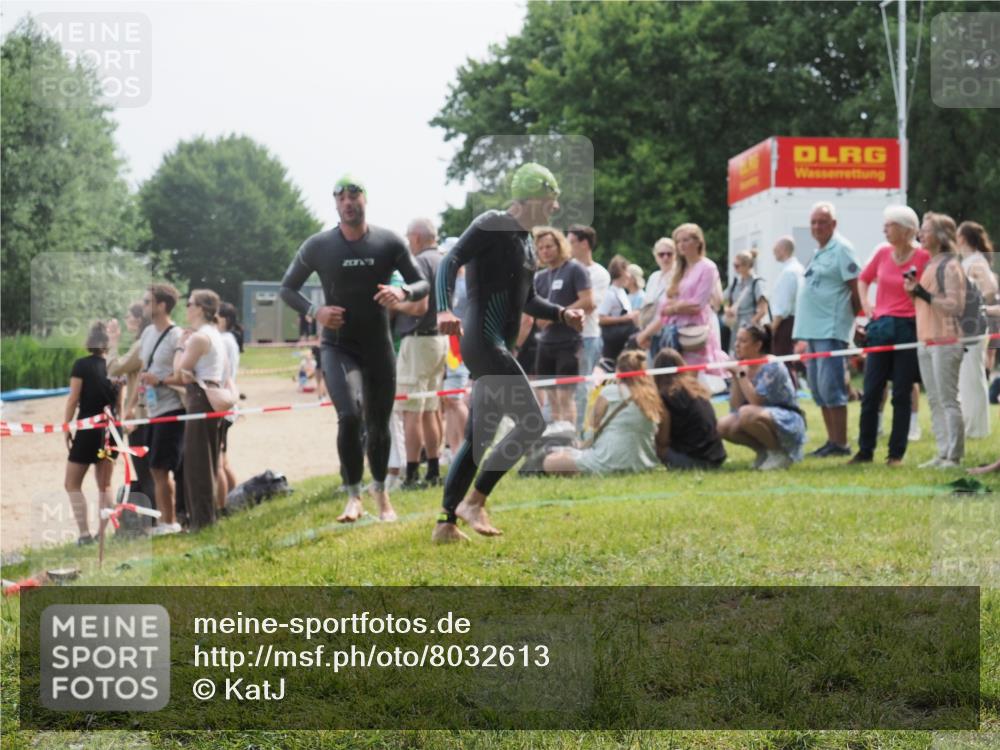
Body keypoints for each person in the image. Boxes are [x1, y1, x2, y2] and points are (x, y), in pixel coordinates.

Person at [433, 162, 584, 543]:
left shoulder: (525, 241)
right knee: (531, 422)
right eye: (550, 200)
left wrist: (562, 313)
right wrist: (443, 308)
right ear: (531, 198)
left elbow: (528, 299)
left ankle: (445, 523)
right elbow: (450, 259)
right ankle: (474, 501)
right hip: (484, 341)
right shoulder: (493, 223)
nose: (554, 208)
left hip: (496, 344)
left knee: (479, 436)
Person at [280, 175, 429, 523]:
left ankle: (381, 494)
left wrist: (402, 292)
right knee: (348, 416)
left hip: (378, 346)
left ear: (365, 200)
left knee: (378, 423)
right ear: (335, 203)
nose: (348, 202)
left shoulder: (389, 242)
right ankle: (352, 496)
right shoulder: (319, 245)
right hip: (338, 345)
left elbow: (421, 283)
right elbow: (287, 288)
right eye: (341, 197)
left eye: (354, 195)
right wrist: (315, 311)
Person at [850, 205, 930, 466]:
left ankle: (896, 454)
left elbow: (930, 293)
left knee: (901, 393)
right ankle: (865, 451)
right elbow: (863, 278)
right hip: (881, 328)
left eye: (890, 225)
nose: (884, 229)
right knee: (871, 391)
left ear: (907, 230)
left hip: (908, 328)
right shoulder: (882, 253)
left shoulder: (923, 257)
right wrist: (866, 304)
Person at [793, 202, 862, 457]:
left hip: (830, 330)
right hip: (812, 330)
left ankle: (841, 443)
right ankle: (832, 441)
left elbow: (856, 289)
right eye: (813, 222)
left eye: (822, 222)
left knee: (832, 387)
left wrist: (853, 323)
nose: (817, 227)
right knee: (818, 388)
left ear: (834, 224)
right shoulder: (819, 251)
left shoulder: (842, 249)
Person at [904, 212, 966, 469]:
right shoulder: (930, 265)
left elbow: (955, 305)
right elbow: (925, 306)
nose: (921, 234)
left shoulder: (950, 266)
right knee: (934, 400)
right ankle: (942, 452)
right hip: (927, 340)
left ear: (940, 236)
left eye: (926, 230)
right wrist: (914, 293)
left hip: (945, 340)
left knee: (948, 400)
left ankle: (954, 455)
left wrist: (922, 293)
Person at [541, 349, 664, 475]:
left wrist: (581, 444)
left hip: (608, 459)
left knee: (550, 461)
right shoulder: (652, 398)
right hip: (643, 463)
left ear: (618, 371)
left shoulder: (610, 392)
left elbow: (591, 429)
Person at [392, 218, 448, 488]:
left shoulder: (420, 262)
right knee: (431, 408)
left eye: (408, 238)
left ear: (416, 237)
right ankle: (433, 470)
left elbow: (418, 306)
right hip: (439, 339)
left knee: (411, 410)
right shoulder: (444, 261)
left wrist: (394, 304)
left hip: (418, 340)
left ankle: (412, 473)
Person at [636, 223, 728, 381]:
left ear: (698, 242)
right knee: (672, 382)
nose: (681, 245)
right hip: (673, 336)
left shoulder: (707, 267)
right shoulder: (679, 270)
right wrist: (645, 333)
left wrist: (674, 308)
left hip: (693, 335)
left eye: (686, 240)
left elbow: (697, 305)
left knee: (690, 382)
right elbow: (664, 309)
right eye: (678, 241)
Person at [129, 283, 186, 536]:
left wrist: (160, 381)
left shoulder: (176, 336)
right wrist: (131, 406)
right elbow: (142, 372)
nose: (142, 306)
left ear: (162, 306)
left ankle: (170, 522)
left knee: (161, 467)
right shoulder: (148, 334)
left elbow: (183, 375)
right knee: (155, 468)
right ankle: (167, 520)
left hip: (172, 408)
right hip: (152, 409)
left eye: (147, 301)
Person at [717, 324, 806, 470]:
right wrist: (735, 376)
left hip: (787, 418)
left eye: (743, 341)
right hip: (758, 414)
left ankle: (779, 453)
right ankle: (764, 452)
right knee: (723, 426)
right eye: (737, 340)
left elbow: (756, 401)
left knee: (746, 413)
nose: (737, 345)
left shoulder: (772, 365)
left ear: (758, 345)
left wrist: (741, 374)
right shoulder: (744, 366)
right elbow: (735, 407)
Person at [63, 321, 121, 545]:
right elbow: (120, 404)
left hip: (88, 428)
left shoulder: (81, 365)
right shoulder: (116, 365)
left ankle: (84, 534)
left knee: (72, 482)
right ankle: (103, 533)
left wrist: (66, 426)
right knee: (105, 484)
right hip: (111, 427)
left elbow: (73, 399)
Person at [174, 289, 227, 530]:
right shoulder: (213, 334)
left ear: (201, 308)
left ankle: (201, 521)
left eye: (190, 303)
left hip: (200, 397)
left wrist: (180, 346)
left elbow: (179, 373)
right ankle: (204, 518)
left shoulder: (199, 338)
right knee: (207, 459)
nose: (186, 308)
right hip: (209, 395)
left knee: (198, 462)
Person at [532, 225, 592, 424]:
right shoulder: (539, 277)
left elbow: (588, 301)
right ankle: (556, 435)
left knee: (565, 396)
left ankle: (568, 436)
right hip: (545, 342)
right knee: (551, 398)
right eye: (541, 248)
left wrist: (558, 315)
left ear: (559, 245)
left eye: (549, 246)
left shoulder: (575, 269)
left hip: (568, 341)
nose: (545, 251)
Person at [106, 302, 156, 510]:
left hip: (139, 415)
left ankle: (154, 516)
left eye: (128, 316)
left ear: (138, 319)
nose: (126, 320)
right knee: (151, 472)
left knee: (145, 472)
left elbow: (113, 368)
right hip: (149, 410)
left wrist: (113, 341)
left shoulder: (141, 345)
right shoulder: (150, 341)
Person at [652, 348, 727, 470]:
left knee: (655, 446)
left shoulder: (666, 396)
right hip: (717, 456)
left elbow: (663, 441)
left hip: (695, 460)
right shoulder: (697, 388)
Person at [956, 221, 997, 439]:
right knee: (966, 376)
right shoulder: (968, 261)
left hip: (974, 325)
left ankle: (976, 428)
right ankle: (970, 424)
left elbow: (990, 288)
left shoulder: (976, 262)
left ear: (962, 238)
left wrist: (977, 306)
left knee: (972, 376)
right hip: (966, 325)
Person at [769, 236, 805, 382]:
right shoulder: (797, 269)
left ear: (783, 250)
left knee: (783, 361)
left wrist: (773, 327)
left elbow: (783, 306)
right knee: (787, 360)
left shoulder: (789, 272)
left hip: (785, 322)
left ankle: (788, 390)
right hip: (793, 320)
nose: (773, 252)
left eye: (776, 249)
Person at [216, 302, 242, 505]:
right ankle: (234, 500)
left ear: (224, 320)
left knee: (217, 463)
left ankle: (221, 506)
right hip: (228, 405)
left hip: (221, 404)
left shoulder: (223, 340)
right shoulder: (229, 339)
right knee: (223, 461)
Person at [723, 249, 769, 355]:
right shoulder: (736, 282)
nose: (735, 268)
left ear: (747, 266)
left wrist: (750, 326)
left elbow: (763, 310)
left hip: (750, 329)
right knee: (736, 354)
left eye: (737, 266)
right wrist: (727, 309)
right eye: (734, 265)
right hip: (735, 327)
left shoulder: (757, 283)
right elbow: (724, 298)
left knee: (749, 355)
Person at [598, 255, 639, 368]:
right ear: (621, 271)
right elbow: (600, 318)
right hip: (612, 343)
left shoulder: (621, 292)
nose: (629, 275)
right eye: (627, 271)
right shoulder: (609, 293)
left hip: (621, 342)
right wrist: (624, 318)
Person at [639, 238, 675, 331]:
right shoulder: (654, 277)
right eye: (661, 254)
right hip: (650, 326)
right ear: (656, 256)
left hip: (669, 327)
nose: (665, 257)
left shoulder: (678, 276)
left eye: (669, 254)